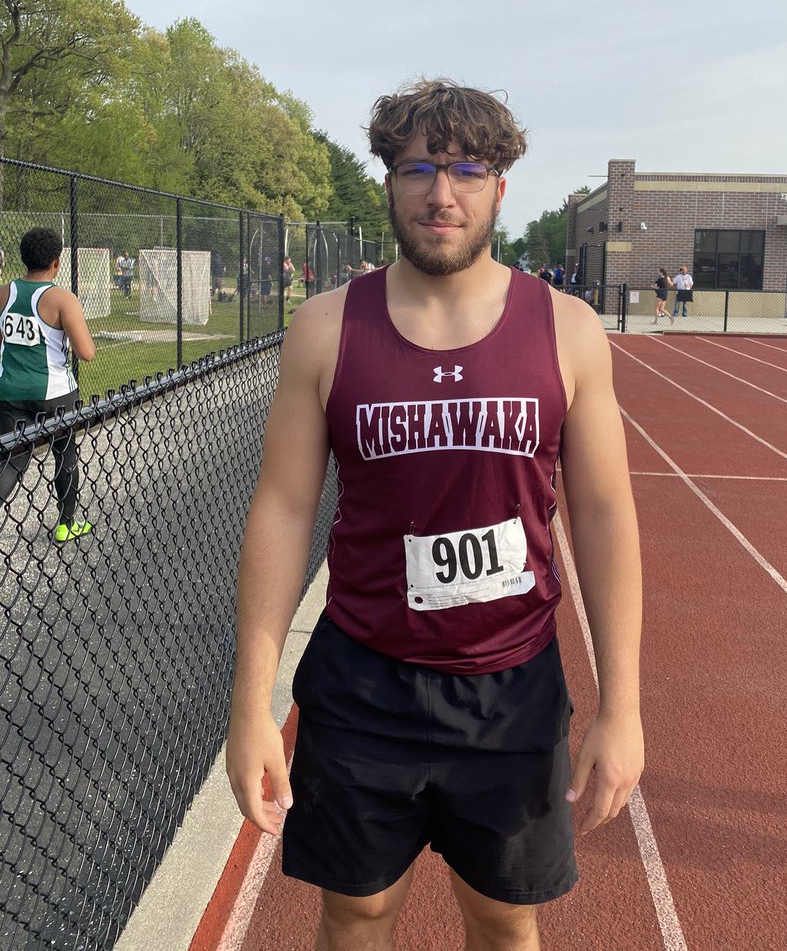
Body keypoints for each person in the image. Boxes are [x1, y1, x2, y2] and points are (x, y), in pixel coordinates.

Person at [226, 80, 643, 951]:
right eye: (417, 168)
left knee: (501, 920)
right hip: (363, 681)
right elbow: (283, 506)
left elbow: (603, 513)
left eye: (465, 170)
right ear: (388, 181)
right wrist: (251, 702)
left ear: (500, 186)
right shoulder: (325, 328)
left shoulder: (565, 330)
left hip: (514, 688)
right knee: (358, 912)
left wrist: (623, 705)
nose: (440, 194)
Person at [0, 228, 96, 542]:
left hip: (10, 391)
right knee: (65, 455)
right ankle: (66, 524)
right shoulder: (62, 298)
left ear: (23, 259)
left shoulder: (4, 293)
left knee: (11, 461)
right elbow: (87, 352)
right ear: (56, 262)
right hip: (55, 393)